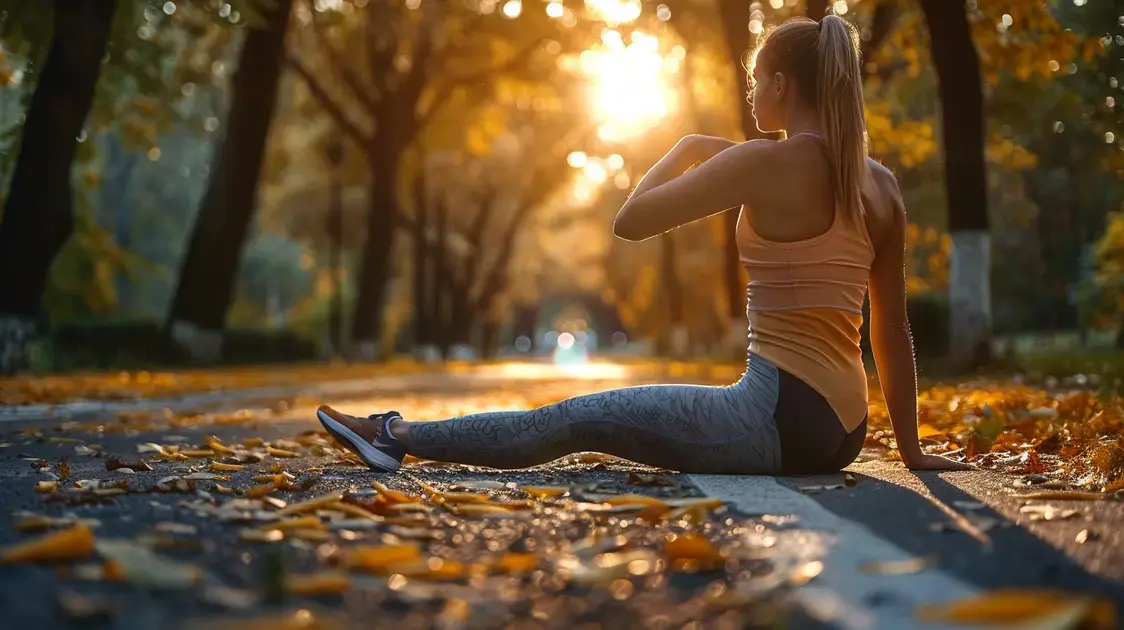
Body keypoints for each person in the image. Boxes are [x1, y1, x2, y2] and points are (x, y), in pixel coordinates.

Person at [316, 15, 971, 475]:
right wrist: (909, 450)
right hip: (843, 432)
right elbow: (891, 330)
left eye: (756, 79)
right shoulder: (878, 183)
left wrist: (683, 150)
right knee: (585, 419)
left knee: (573, 419)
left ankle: (394, 436)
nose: (749, 93)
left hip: (772, 418)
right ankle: (393, 434)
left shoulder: (760, 164)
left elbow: (630, 220)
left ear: (781, 86)